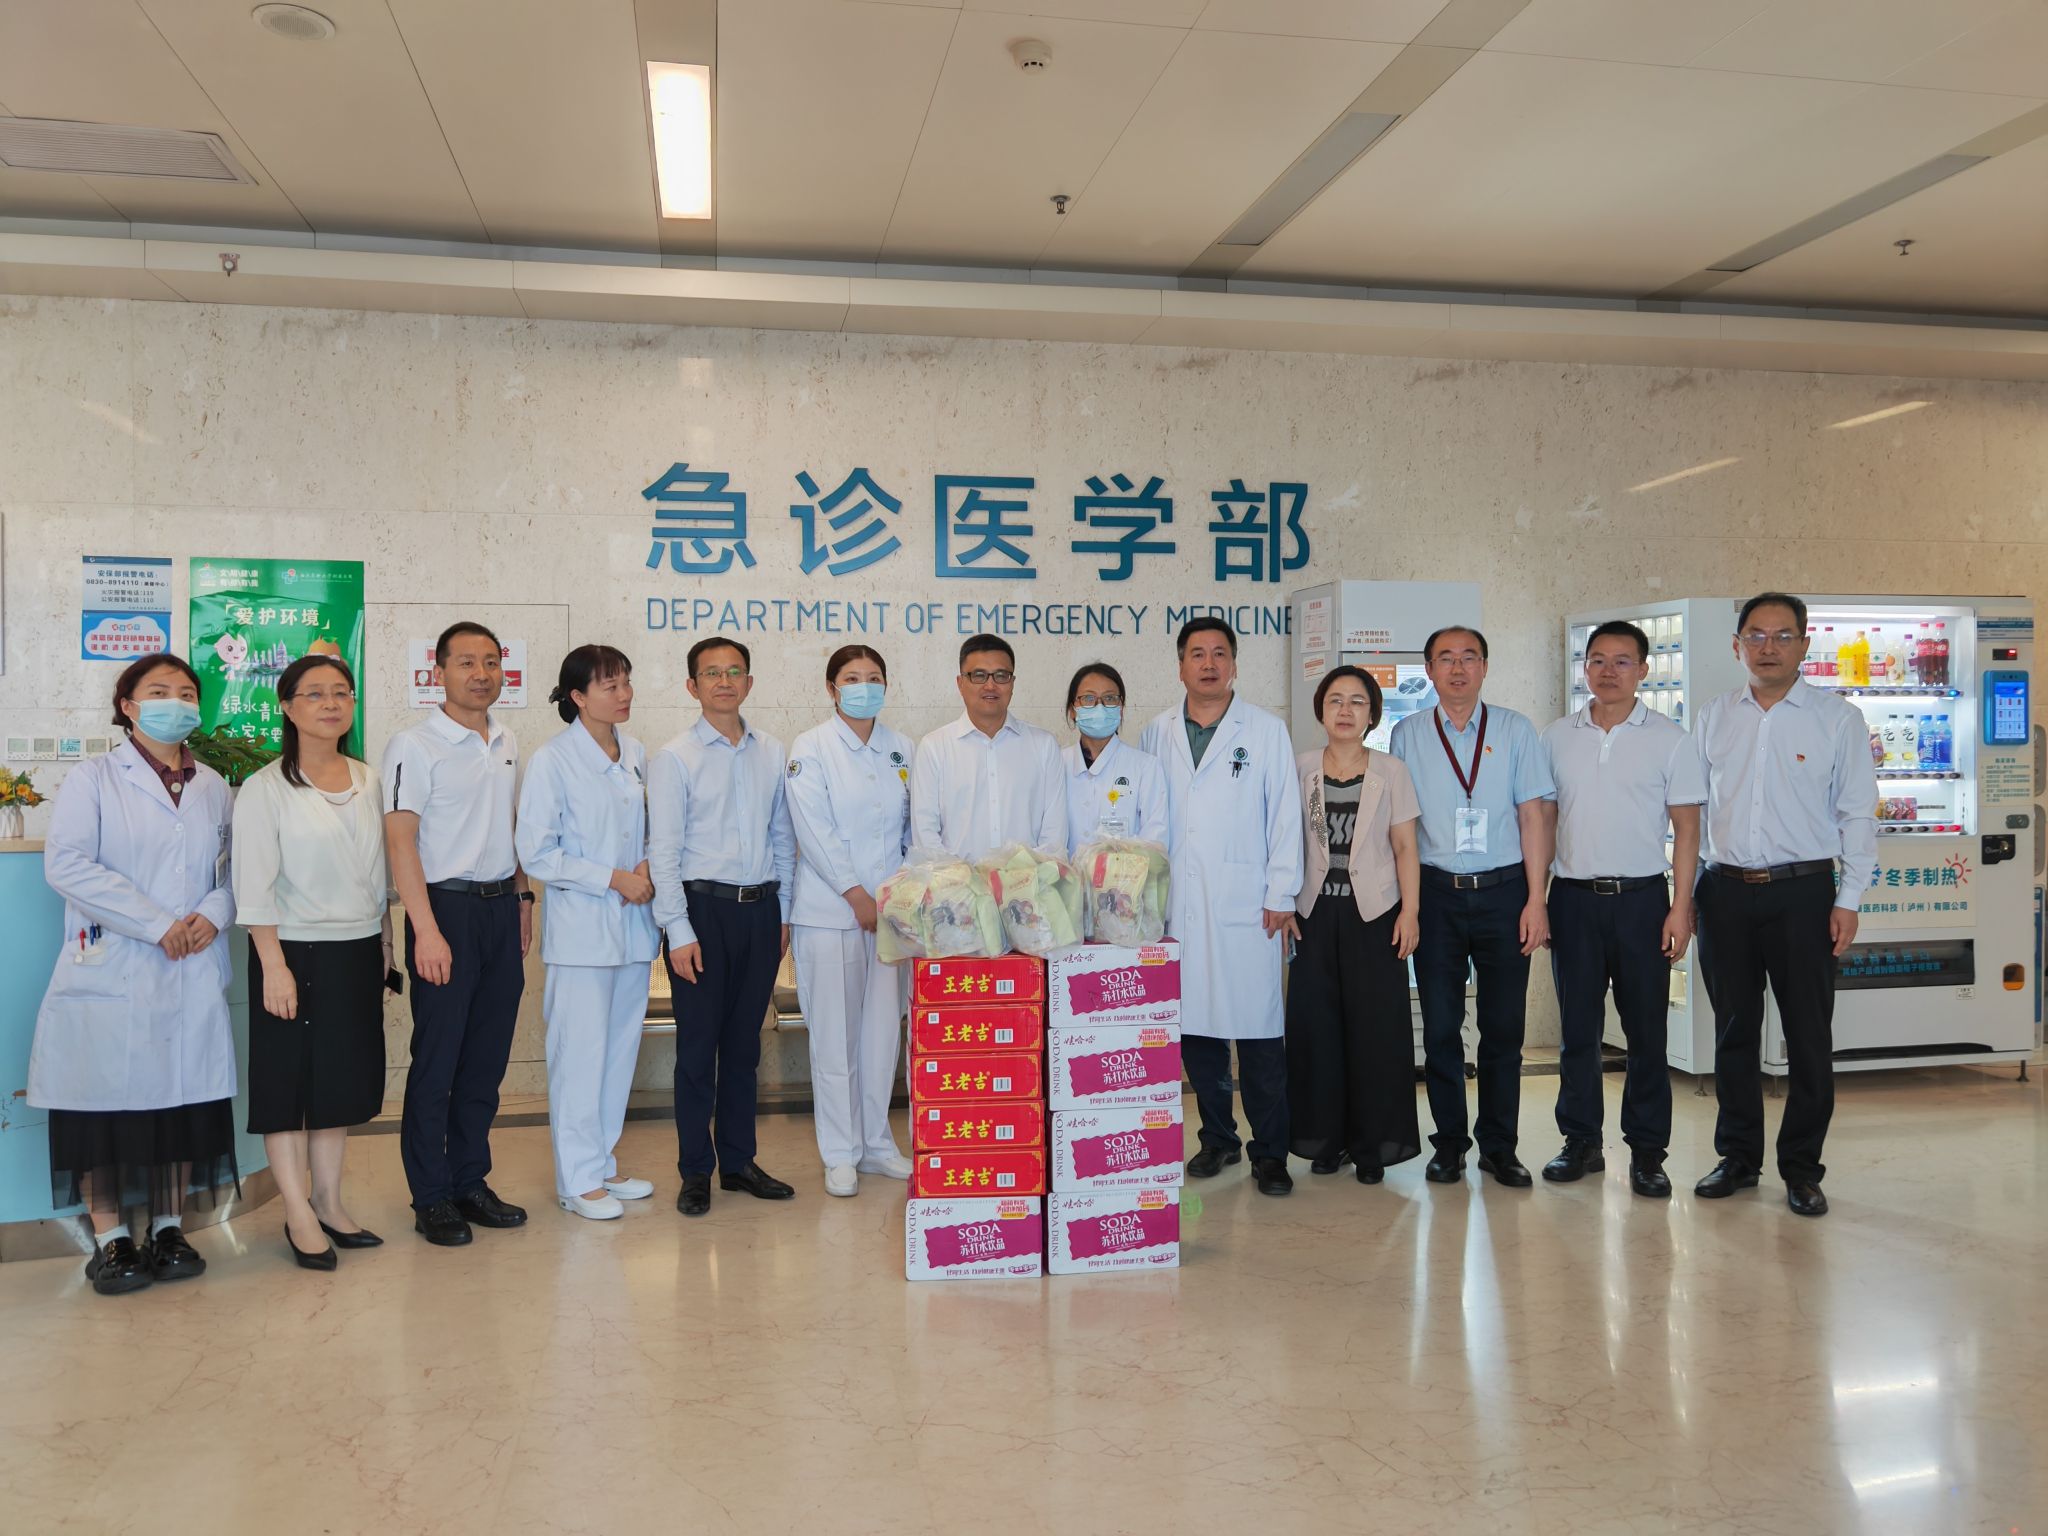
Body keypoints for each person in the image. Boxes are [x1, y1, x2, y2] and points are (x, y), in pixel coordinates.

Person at [29, 653, 236, 1295]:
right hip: (115, 962)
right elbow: (67, 864)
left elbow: (234, 869)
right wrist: (155, 923)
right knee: (101, 1108)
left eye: (187, 692)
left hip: (191, 963)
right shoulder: (93, 777)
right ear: (128, 705)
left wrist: (213, 914)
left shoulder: (214, 785)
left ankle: (169, 1230)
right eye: (159, 691)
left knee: (182, 1103)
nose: (177, 701)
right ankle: (112, 1239)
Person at [1690, 592, 1877, 1218]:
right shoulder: (1714, 716)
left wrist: (1849, 898)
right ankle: (1738, 1158)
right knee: (1734, 1032)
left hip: (1804, 893)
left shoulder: (1837, 719)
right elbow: (1693, 811)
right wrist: (1686, 892)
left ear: (1804, 643)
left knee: (1808, 1035)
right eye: (1756, 635)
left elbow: (1857, 814)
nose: (1767, 647)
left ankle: (1801, 1168)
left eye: (1782, 636)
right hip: (1723, 891)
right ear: (1736, 644)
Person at [233, 655, 393, 1271]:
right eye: (315, 694)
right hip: (291, 951)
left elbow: (378, 877)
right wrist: (272, 966)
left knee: (339, 1082)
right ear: (286, 706)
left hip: (357, 949)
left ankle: (328, 1200)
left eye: (341, 693)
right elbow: (254, 887)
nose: (331, 704)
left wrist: (384, 946)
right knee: (288, 1083)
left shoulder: (369, 780)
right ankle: (297, 1209)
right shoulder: (266, 787)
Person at [1539, 621, 1705, 1198]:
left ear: (1643, 670)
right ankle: (1581, 1141)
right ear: (1584, 667)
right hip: (1572, 900)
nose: (1608, 672)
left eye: (1622, 661)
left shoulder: (1671, 739)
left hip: (1642, 901)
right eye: (1598, 660)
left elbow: (1688, 831)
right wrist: (1538, 898)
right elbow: (1542, 824)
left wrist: (1680, 908)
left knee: (1646, 1032)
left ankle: (1648, 1152)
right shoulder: (1556, 737)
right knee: (1577, 1032)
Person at [1139, 617, 1303, 1197]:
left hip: (1248, 904)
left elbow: (1285, 815)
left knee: (1258, 1035)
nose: (1208, 664)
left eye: (1219, 653)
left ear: (1234, 664)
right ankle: (1218, 1139)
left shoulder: (1265, 730)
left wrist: (1281, 893)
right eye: (1197, 654)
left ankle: (1270, 1151)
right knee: (1197, 1033)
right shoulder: (1156, 732)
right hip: (1178, 905)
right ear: (1180, 666)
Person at [382, 621, 533, 1247]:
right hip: (444, 909)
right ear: (438, 671)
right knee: (438, 1059)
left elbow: (509, 824)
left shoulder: (506, 739)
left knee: (486, 1058)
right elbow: (400, 841)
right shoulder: (414, 744)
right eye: (466, 662)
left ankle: (471, 1179)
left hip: (500, 909)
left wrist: (524, 899)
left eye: (491, 662)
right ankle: (431, 1194)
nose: (481, 673)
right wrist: (425, 931)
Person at [1390, 624, 1555, 1189]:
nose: (1457, 668)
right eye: (1445, 658)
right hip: (1436, 895)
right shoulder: (1408, 734)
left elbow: (1533, 817)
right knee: (1440, 1027)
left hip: (1505, 894)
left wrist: (1536, 899)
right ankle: (1449, 1146)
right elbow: (1401, 828)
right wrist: (1408, 905)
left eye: (1468, 658)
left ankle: (1499, 1148)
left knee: (1503, 1028)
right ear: (1429, 671)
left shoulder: (1514, 729)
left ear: (1484, 667)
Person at [649, 636, 798, 1218]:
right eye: (712, 673)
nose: (724, 681)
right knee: (697, 1049)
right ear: (692, 686)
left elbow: (782, 837)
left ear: (749, 683)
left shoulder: (771, 751)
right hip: (701, 914)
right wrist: (678, 929)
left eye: (735, 671)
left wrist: (783, 912)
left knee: (743, 1047)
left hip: (760, 912)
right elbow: (663, 853)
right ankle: (695, 1170)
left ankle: (738, 1162)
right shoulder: (675, 757)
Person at [516, 645, 663, 1221]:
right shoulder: (552, 760)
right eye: (610, 686)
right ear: (578, 696)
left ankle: (601, 1163)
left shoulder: (637, 753)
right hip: (581, 933)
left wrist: (646, 864)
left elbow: (646, 830)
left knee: (618, 1054)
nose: (624, 694)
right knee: (578, 1057)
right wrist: (613, 878)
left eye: (626, 682)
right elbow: (537, 852)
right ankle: (576, 1181)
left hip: (631, 930)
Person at [1284, 666, 1423, 1184]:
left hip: (1375, 915)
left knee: (1376, 1033)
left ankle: (1372, 1146)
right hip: (1313, 916)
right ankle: (1326, 1140)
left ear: (1372, 714)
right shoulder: (1300, 768)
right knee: (1316, 1032)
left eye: (1357, 702)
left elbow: (1405, 847)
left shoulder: (1391, 771)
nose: (1345, 710)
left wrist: (1410, 912)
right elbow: (1284, 843)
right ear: (1321, 710)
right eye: (1336, 700)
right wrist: (1283, 904)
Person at [784, 645, 915, 1198]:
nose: (865, 686)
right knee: (835, 1039)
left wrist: (901, 893)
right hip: (830, 914)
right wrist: (855, 893)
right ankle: (840, 1153)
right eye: (853, 678)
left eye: (874, 677)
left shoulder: (901, 747)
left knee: (882, 1035)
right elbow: (813, 830)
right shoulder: (810, 748)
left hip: (890, 916)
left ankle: (877, 1143)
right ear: (831, 688)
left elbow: (912, 829)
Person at [910, 635, 1065, 861]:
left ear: (1012, 683)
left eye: (1001, 676)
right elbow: (925, 835)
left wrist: (1026, 879)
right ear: (960, 683)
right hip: (954, 883)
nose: (990, 685)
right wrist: (959, 879)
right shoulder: (934, 747)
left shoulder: (1044, 746)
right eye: (979, 675)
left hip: (1030, 882)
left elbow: (1054, 835)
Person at [1060, 661, 1167, 853]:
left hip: (1125, 873)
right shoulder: (1057, 764)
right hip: (1064, 872)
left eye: (1109, 698)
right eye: (1088, 698)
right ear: (1072, 710)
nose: (1100, 707)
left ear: (1121, 708)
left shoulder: (1145, 767)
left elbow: (1155, 844)